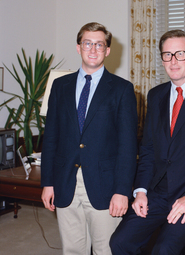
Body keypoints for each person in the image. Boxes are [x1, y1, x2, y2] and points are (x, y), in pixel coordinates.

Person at [110, 29, 185, 254]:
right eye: (167, 55)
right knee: (119, 242)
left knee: (164, 249)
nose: (173, 61)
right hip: (158, 192)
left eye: (180, 54)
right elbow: (148, 149)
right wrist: (140, 191)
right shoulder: (156, 95)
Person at [41, 22, 138, 255]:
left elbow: (128, 145)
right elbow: (51, 137)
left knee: (107, 250)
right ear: (78, 47)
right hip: (66, 182)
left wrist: (122, 191)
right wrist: (47, 182)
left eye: (99, 44)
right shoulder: (59, 86)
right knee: (72, 249)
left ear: (107, 50)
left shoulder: (122, 89)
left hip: (106, 185)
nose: (93, 49)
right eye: (87, 43)